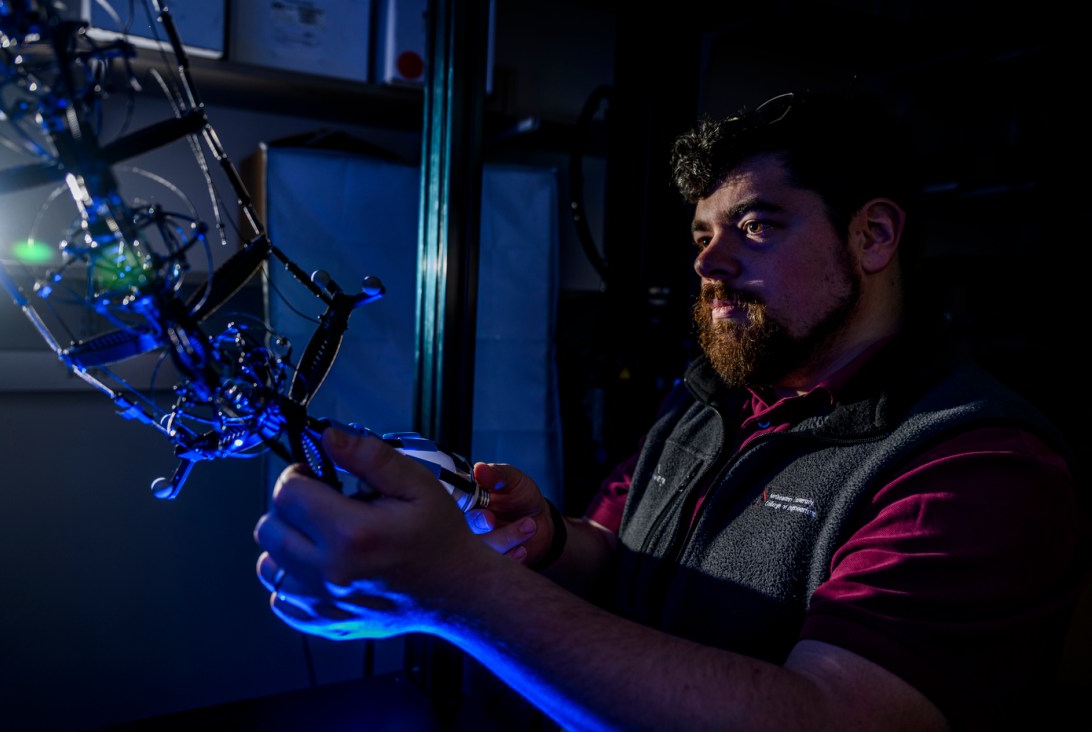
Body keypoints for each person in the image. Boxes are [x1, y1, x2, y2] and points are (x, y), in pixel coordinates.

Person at [252, 89, 1087, 730]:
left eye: (757, 226)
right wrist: (541, 537)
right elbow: (620, 555)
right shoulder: (714, 400)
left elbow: (829, 719)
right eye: (702, 235)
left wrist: (460, 593)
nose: (711, 262)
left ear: (872, 237)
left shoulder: (976, 465)